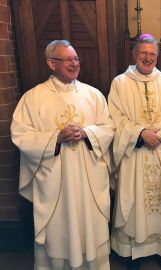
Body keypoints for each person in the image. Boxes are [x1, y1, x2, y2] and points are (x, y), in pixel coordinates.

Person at [11, 40, 115, 269]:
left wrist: (86, 133)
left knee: (89, 226)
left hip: (88, 179)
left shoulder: (93, 94)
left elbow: (108, 128)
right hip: (55, 182)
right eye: (67, 59)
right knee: (59, 228)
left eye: (76, 58)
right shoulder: (34, 98)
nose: (74, 63)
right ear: (51, 63)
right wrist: (56, 138)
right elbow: (20, 134)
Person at [108, 34, 161, 270]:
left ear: (157, 56)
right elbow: (115, 118)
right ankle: (135, 252)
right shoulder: (120, 83)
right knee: (135, 203)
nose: (148, 58)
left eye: (152, 54)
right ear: (135, 55)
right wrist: (140, 133)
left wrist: (158, 136)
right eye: (144, 53)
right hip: (135, 155)